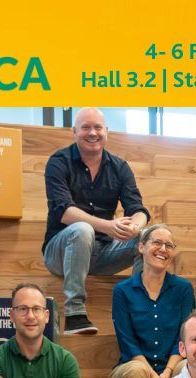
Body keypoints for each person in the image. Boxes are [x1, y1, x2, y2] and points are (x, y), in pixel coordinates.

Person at [43, 106, 150, 335]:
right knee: (82, 230)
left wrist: (135, 227)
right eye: (86, 127)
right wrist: (109, 226)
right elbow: (64, 212)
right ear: (74, 131)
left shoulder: (119, 167)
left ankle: (140, 313)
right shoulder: (58, 162)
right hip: (60, 252)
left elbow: (138, 210)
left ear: (106, 131)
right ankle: (74, 314)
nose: (92, 133)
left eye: (98, 127)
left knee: (149, 238)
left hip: (102, 252)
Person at [107, 224, 194, 378]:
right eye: (157, 243)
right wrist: (152, 374)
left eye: (169, 245)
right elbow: (127, 341)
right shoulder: (123, 291)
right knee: (136, 371)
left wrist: (166, 371)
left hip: (172, 363)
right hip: (132, 367)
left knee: (188, 369)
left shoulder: (183, 289)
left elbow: (184, 336)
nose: (163, 249)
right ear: (141, 247)